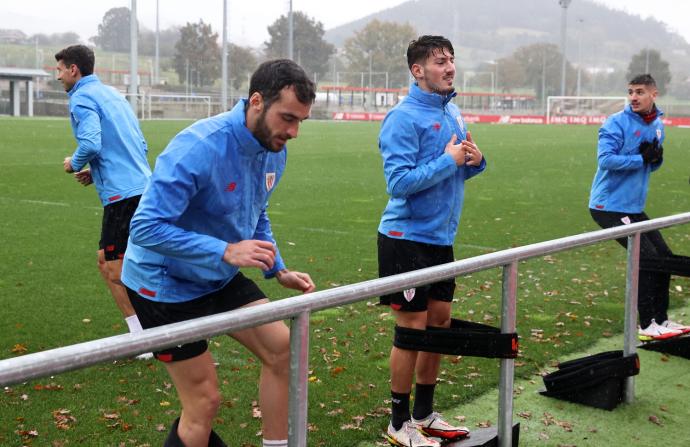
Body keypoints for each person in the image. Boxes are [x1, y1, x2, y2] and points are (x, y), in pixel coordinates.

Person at [121, 59, 316, 447]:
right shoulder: (198, 146)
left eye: (300, 122)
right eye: (288, 118)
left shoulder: (274, 147)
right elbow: (144, 228)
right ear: (257, 101)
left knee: (283, 350)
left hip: (217, 275)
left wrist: (276, 267)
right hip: (163, 286)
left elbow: (256, 210)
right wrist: (225, 250)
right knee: (204, 403)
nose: (293, 132)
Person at [377, 35, 486, 447]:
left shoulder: (453, 111)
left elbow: (459, 166)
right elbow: (399, 183)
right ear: (417, 70)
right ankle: (398, 422)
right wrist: (449, 160)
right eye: (440, 61)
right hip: (405, 240)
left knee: (438, 324)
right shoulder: (402, 118)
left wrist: (475, 160)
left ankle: (424, 414)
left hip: (441, 239)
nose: (450, 67)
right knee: (413, 328)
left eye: (452, 60)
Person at [55, 45, 152, 356]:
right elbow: (138, 142)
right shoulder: (112, 94)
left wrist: (75, 162)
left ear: (74, 70)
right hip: (140, 187)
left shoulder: (82, 97)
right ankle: (144, 331)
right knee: (106, 261)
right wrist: (96, 173)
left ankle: (145, 337)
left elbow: (91, 142)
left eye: (60, 69)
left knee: (115, 268)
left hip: (123, 196)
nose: (57, 76)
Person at [589, 73, 690, 341]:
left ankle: (662, 319)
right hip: (608, 206)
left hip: (633, 207)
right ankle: (646, 324)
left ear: (653, 94)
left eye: (640, 92)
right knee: (647, 258)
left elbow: (650, 165)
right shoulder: (615, 123)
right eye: (631, 91)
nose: (633, 97)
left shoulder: (657, 124)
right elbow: (606, 160)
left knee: (663, 257)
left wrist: (655, 159)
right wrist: (639, 158)